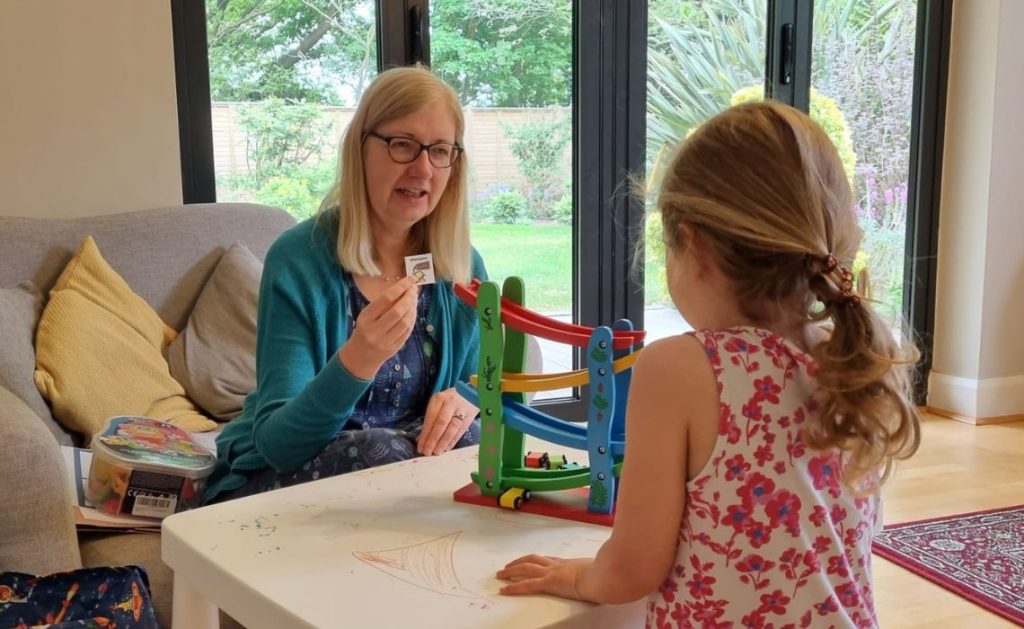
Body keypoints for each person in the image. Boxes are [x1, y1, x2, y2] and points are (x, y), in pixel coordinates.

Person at [496, 101, 920, 627]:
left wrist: (577, 576)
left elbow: (633, 568)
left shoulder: (680, 369)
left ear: (692, 246)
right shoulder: (851, 353)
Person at [203, 66, 486, 505]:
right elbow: (279, 444)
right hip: (285, 473)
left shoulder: (461, 267)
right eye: (402, 145)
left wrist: (467, 400)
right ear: (361, 148)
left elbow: (487, 382)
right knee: (382, 450)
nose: (423, 168)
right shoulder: (299, 259)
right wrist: (358, 359)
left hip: (405, 482)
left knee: (474, 440)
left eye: (440, 150)